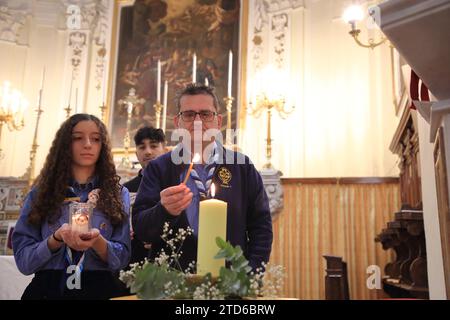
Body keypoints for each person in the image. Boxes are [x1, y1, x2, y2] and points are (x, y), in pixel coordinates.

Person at [132, 83, 273, 272]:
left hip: (230, 279)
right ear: (177, 122)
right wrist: (164, 210)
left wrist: (251, 274)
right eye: (189, 115)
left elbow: (261, 227)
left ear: (218, 121)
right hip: (172, 279)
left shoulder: (242, 167)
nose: (198, 122)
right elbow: (142, 229)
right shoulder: (159, 168)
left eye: (206, 114)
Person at [12, 114, 131, 300]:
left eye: (96, 139)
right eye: (78, 138)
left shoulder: (116, 194)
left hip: (100, 288)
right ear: (65, 144)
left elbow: (123, 258)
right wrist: (55, 239)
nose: (88, 144)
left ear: (103, 146)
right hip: (49, 288)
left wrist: (98, 242)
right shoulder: (41, 194)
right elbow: (24, 262)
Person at [124, 126, 166, 265]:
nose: (148, 152)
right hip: (135, 257)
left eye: (153, 146)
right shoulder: (126, 188)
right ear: (136, 154)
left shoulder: (174, 183)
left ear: (164, 150)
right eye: (142, 147)